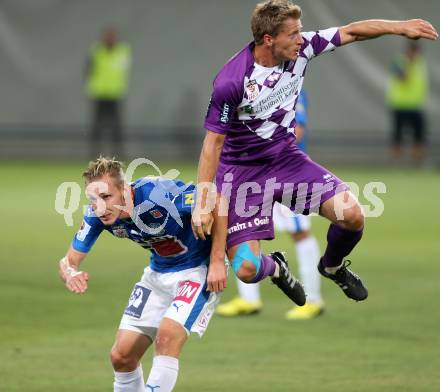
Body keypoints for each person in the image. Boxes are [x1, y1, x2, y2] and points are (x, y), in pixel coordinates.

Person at [192, 0, 437, 305]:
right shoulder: (232, 81)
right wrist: (204, 201)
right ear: (269, 39)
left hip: (285, 160)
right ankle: (276, 268)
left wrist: (399, 28)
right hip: (241, 173)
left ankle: (331, 266)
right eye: (293, 33)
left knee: (353, 216)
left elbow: (352, 33)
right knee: (246, 269)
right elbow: (212, 144)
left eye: (301, 31)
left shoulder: (303, 49)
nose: (301, 38)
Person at [58, 157, 223, 392]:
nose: (100, 206)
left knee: (167, 336)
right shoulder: (97, 215)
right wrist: (70, 272)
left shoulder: (159, 195)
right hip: (157, 273)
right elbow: (68, 260)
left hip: (196, 271)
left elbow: (216, 200)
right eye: (94, 200)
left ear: (125, 190)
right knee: (121, 356)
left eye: (106, 197)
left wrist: (217, 261)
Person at [216, 90, 325, 320]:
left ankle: (313, 300)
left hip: (283, 173)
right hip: (250, 176)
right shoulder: (247, 87)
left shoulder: (291, 87)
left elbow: (297, 130)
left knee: (300, 232)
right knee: (239, 232)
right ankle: (249, 298)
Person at [86, 27, 131, 159]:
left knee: (117, 128)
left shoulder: (123, 51)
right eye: (108, 37)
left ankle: (118, 155)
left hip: (115, 93)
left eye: (113, 37)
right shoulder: (96, 51)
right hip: (99, 93)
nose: (111, 39)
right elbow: (88, 69)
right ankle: (95, 155)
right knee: (97, 127)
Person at [387, 41, 429, 163]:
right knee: (397, 137)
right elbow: (403, 78)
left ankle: (417, 164)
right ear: (408, 51)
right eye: (413, 52)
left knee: (419, 137)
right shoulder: (398, 62)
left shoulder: (420, 63)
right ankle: (395, 163)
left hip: (416, 106)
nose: (415, 55)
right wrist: (409, 64)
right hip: (400, 105)